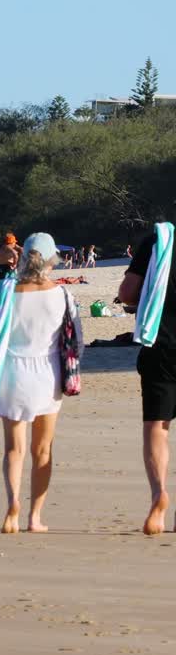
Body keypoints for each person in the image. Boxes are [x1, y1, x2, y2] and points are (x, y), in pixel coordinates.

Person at [0, 233, 83, 534]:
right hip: (48, 373)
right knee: (43, 450)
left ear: (21, 256)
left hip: (12, 370)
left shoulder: (1, 292)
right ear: (52, 259)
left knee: (13, 449)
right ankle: (34, 516)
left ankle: (12, 505)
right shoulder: (63, 295)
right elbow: (76, 342)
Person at [117, 225, 176, 534]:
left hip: (162, 345)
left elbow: (127, 292)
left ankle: (159, 494)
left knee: (157, 426)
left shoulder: (157, 241)